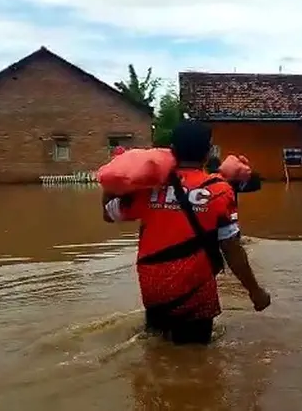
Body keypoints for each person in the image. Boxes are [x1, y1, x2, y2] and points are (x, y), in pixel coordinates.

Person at [102, 120, 271, 345]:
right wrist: (254, 291)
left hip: (153, 289)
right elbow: (231, 248)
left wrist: (112, 184)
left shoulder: (150, 188)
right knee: (196, 360)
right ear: (208, 151)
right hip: (194, 292)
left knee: (156, 350)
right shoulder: (219, 190)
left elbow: (108, 214)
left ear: (172, 149)